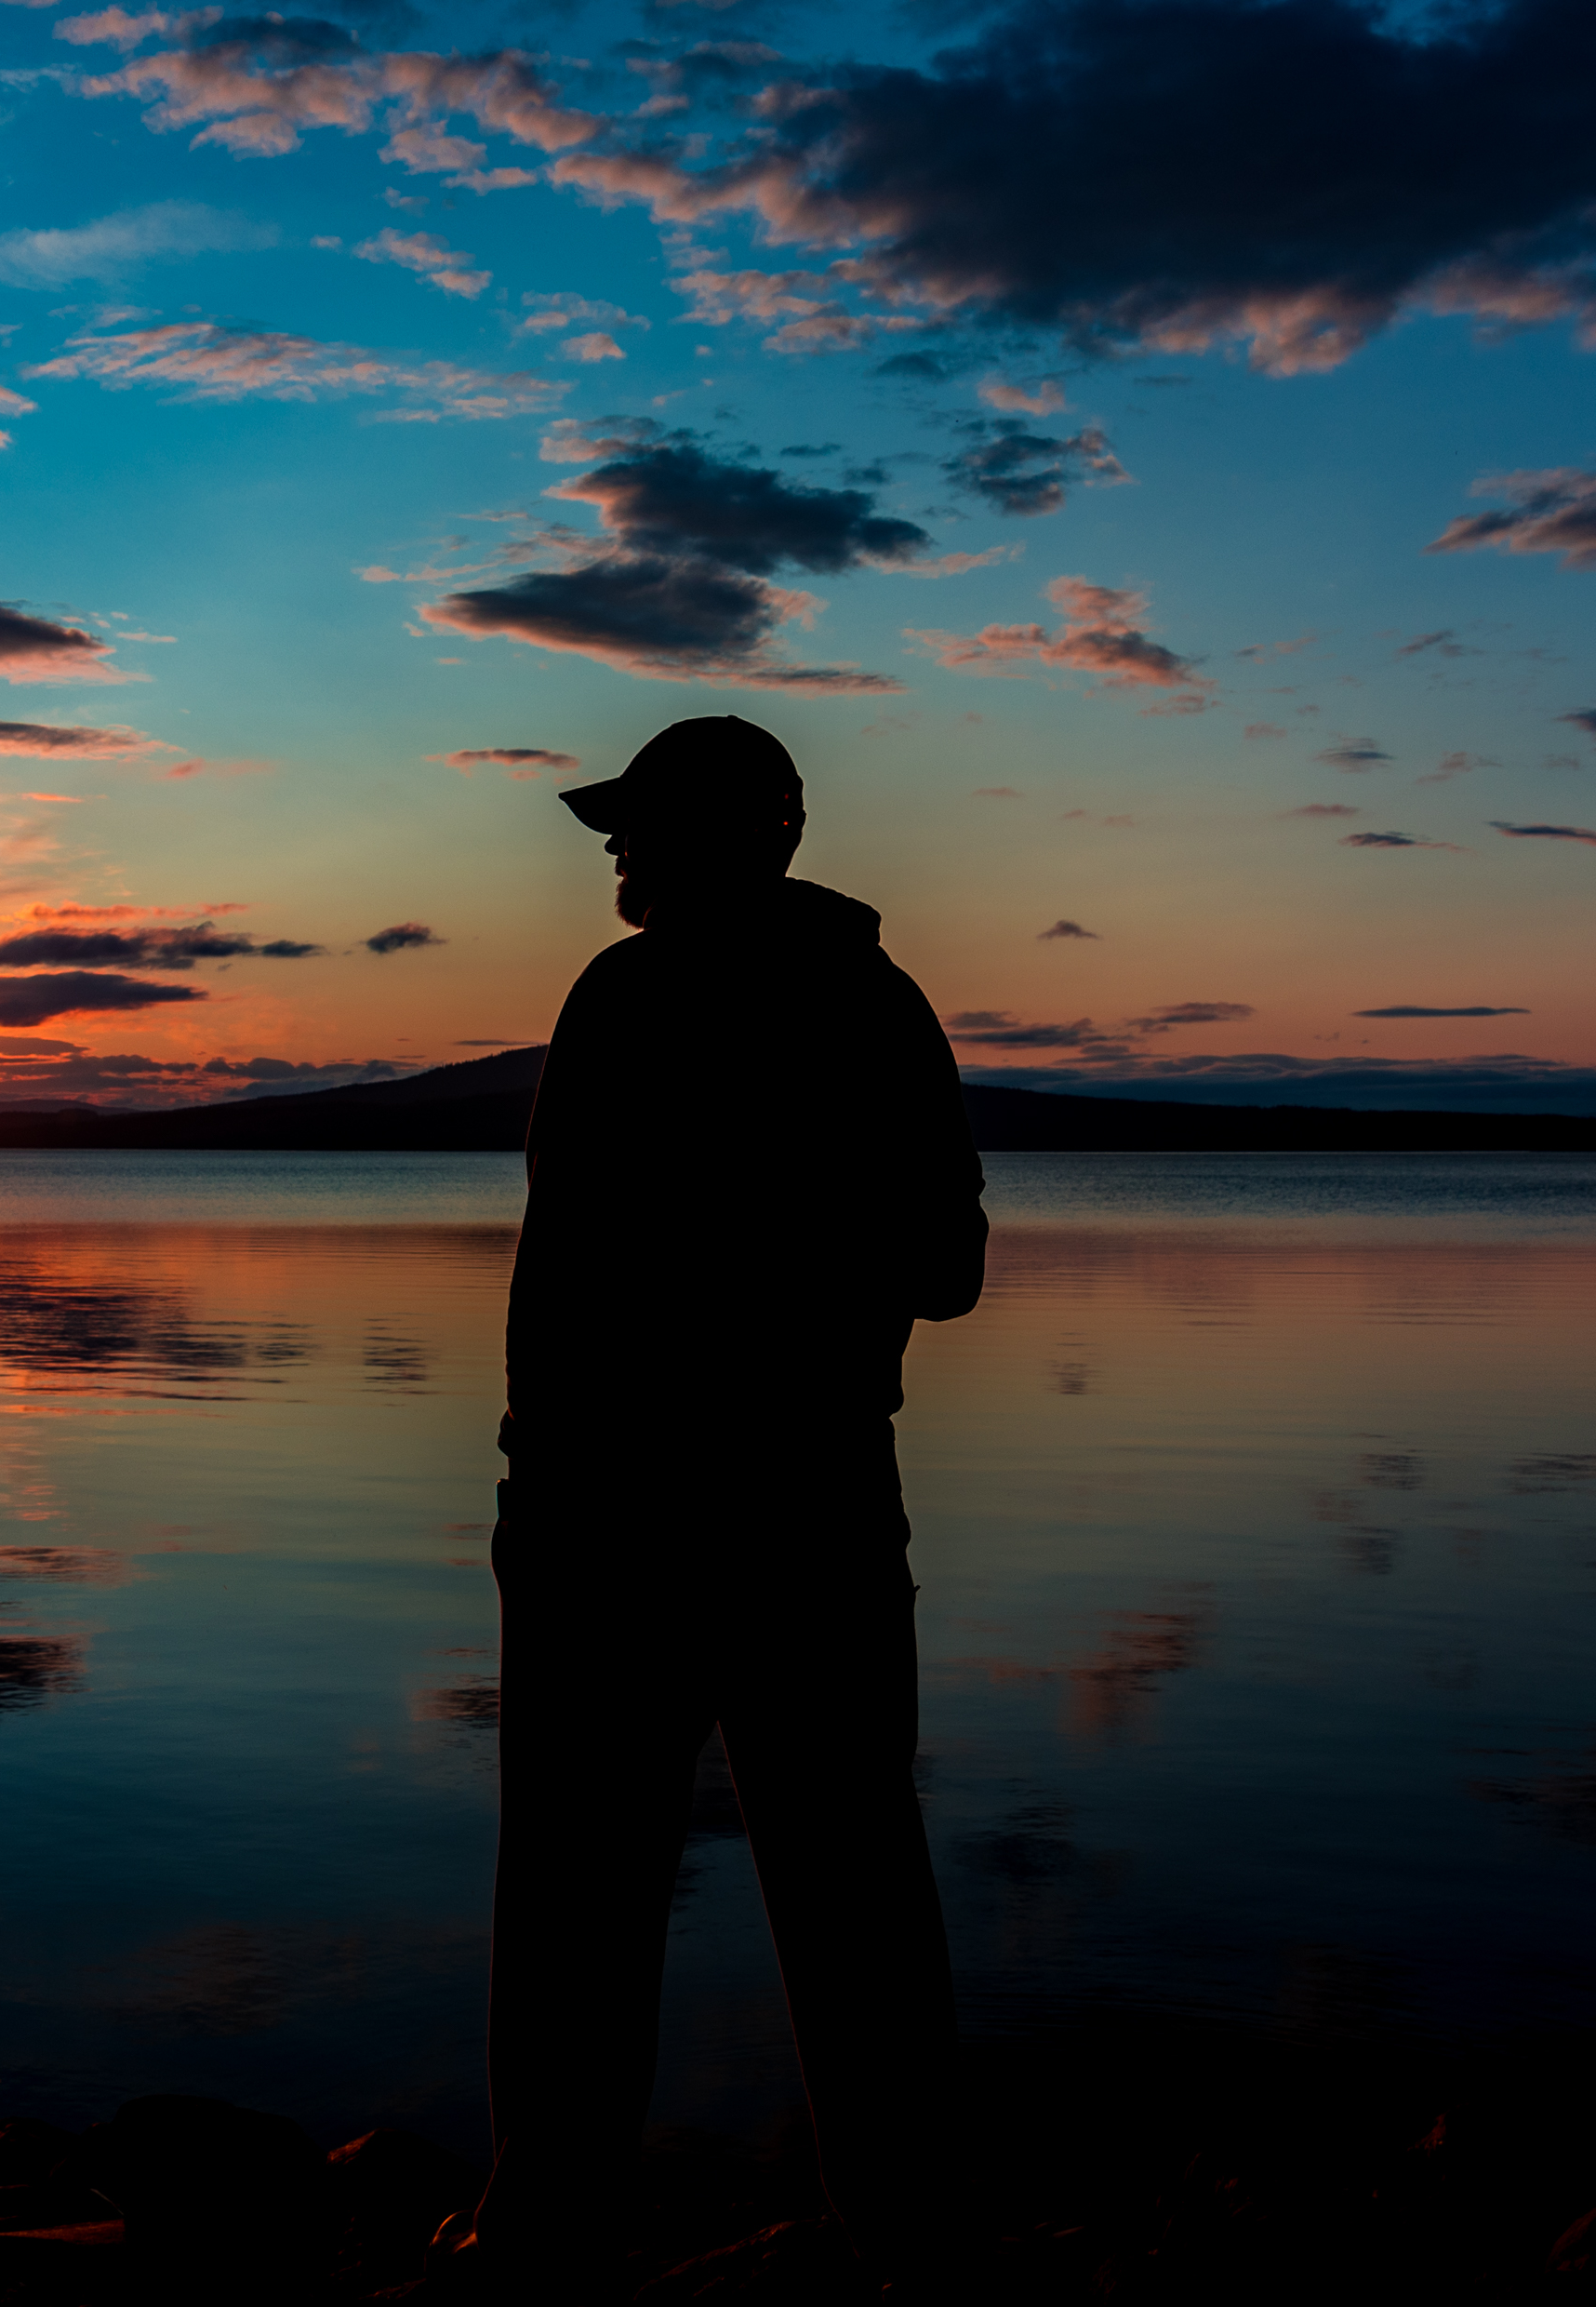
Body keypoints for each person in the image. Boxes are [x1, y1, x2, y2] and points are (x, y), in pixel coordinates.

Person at [468, 714, 987, 2291]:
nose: (611, 850)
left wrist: (537, 1494)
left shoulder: (628, 999)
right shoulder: (878, 1003)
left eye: (639, 826)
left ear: (740, 834)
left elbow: (564, 1286)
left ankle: (551, 2237)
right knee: (850, 1891)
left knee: (583, 1889)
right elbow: (948, 1272)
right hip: (809, 1507)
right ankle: (910, 2241)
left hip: (626, 1522)